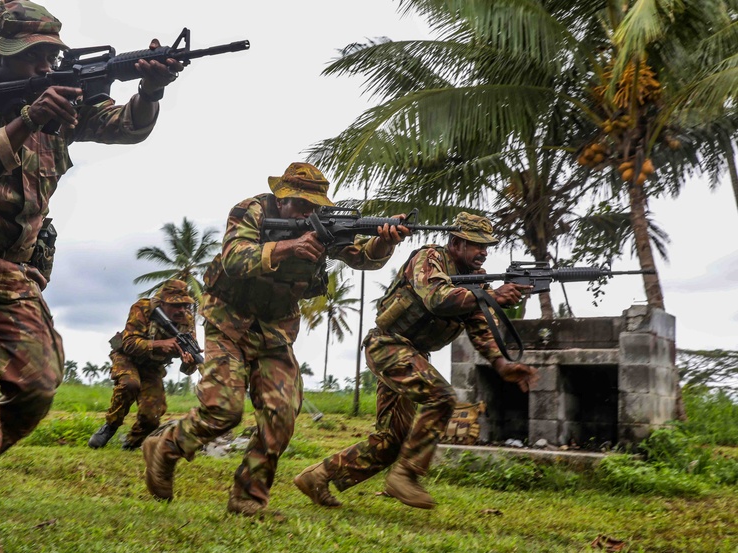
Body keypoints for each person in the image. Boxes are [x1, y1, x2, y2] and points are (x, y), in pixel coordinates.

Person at [0, 0, 182, 553]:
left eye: (47, 57)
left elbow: (124, 129)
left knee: (36, 384)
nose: (39, 67)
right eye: (28, 57)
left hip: (13, 263)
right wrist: (31, 116)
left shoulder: (65, 94)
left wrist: (150, 91)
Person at [141, 162, 411, 516]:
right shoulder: (251, 210)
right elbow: (235, 258)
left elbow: (363, 257)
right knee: (223, 409)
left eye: (315, 206)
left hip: (275, 330)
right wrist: (290, 247)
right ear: (281, 199)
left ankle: (247, 499)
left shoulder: (325, 227)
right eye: (300, 204)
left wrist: (383, 241)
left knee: (281, 415)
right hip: (228, 321)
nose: (308, 212)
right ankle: (166, 446)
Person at [292, 213, 539, 510]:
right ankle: (406, 475)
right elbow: (437, 297)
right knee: (443, 397)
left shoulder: (477, 283)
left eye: (487, 246)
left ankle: (318, 476)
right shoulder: (429, 258)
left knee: (389, 442)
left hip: (411, 354)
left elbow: (480, 328)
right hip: (388, 345)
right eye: (476, 244)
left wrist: (502, 365)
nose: (483, 252)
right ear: (457, 243)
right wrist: (492, 297)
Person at [88, 279, 198, 451]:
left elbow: (190, 366)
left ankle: (131, 443)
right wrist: (160, 344)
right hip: (127, 357)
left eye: (185, 305)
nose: (181, 310)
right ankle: (110, 426)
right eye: (176, 305)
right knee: (130, 384)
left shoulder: (187, 321)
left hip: (152, 366)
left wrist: (188, 362)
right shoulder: (142, 308)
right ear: (162, 302)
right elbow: (129, 343)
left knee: (152, 415)